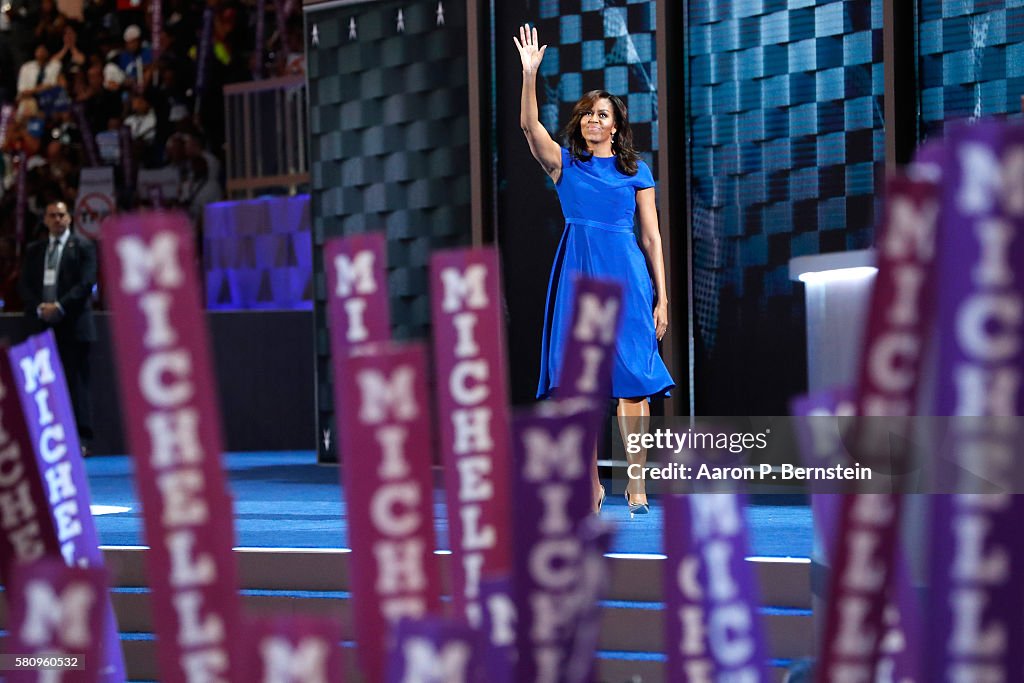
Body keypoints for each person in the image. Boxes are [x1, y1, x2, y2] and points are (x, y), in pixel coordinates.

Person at [514, 25, 674, 516]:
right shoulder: (565, 165)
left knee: (633, 384)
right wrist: (529, 75)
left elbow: (651, 236)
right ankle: (589, 487)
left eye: (601, 115)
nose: (591, 120)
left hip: (627, 277)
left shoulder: (635, 171)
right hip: (578, 276)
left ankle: (637, 486)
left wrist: (662, 297)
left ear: (615, 126)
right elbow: (528, 128)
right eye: (586, 113)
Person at [17, 200, 98, 456]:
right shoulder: (35, 250)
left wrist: (60, 306)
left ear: (70, 219)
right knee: (44, 385)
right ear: (45, 220)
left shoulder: (83, 246)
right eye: (52, 215)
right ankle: (46, 441)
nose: (57, 219)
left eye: (61, 215)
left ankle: (81, 439)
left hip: (74, 324)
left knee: (76, 383)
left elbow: (86, 283)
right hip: (41, 325)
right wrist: (40, 307)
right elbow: (24, 284)